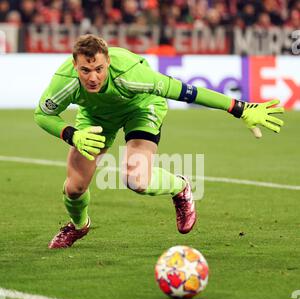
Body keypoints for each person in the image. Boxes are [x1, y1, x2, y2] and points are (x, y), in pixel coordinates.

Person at [34, 34, 284, 249]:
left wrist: (238, 107)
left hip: (141, 109)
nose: (93, 77)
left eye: (99, 69)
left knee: (136, 179)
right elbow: (42, 114)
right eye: (85, 70)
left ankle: (180, 187)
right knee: (74, 188)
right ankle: (78, 226)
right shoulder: (64, 81)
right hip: (96, 117)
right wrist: (72, 133)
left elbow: (186, 91)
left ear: (108, 62)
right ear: (74, 65)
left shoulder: (131, 74)